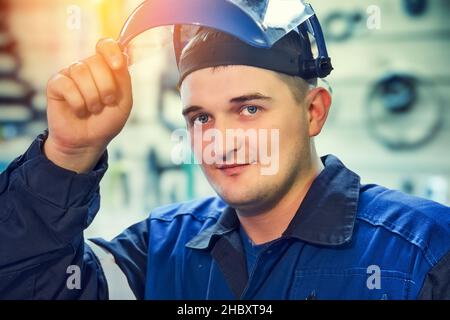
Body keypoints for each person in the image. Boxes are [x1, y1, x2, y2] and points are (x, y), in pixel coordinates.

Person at [0, 2, 449, 300]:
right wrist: (68, 153)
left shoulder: (422, 251)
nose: (221, 141)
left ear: (314, 112)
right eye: (201, 118)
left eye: (249, 109)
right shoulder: (160, 250)